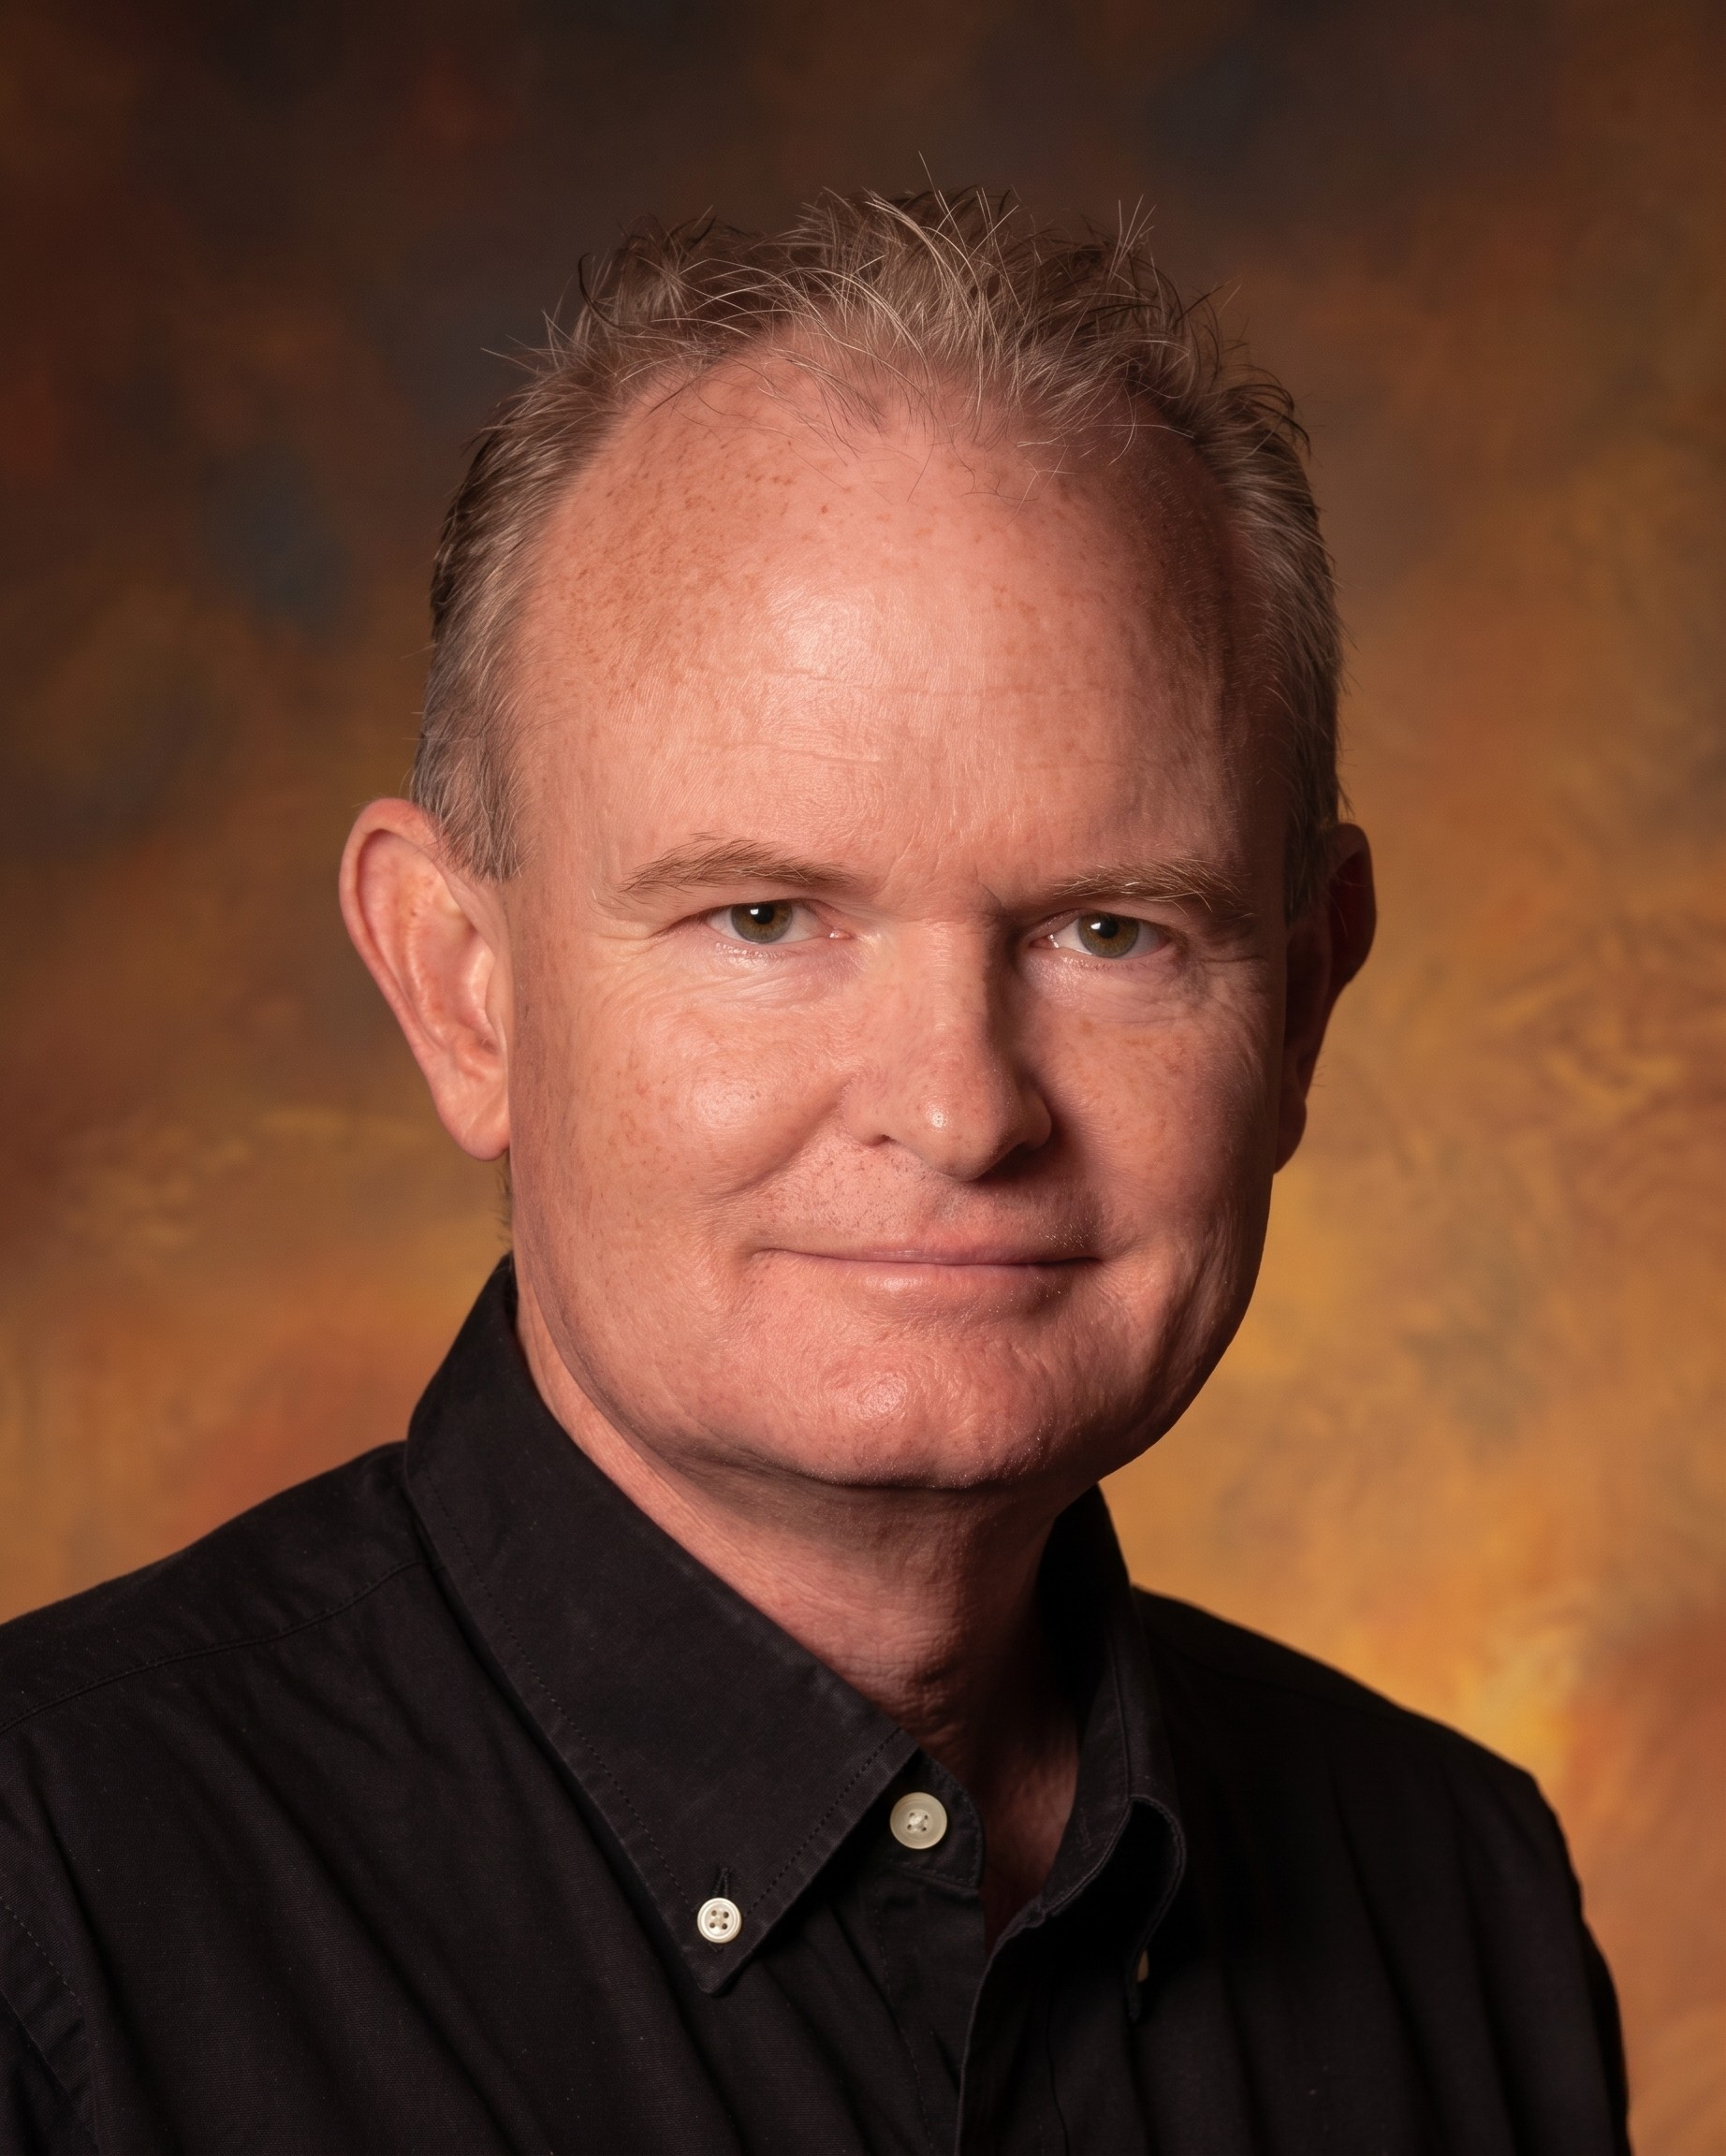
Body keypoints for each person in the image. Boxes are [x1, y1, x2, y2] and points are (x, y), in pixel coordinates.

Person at [0, 190, 1629, 2155]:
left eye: (1111, 930)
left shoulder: (1459, 1906)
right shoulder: (49, 1919)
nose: (960, 1111)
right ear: (461, 988)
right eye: (765, 917)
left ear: (1301, 1003)